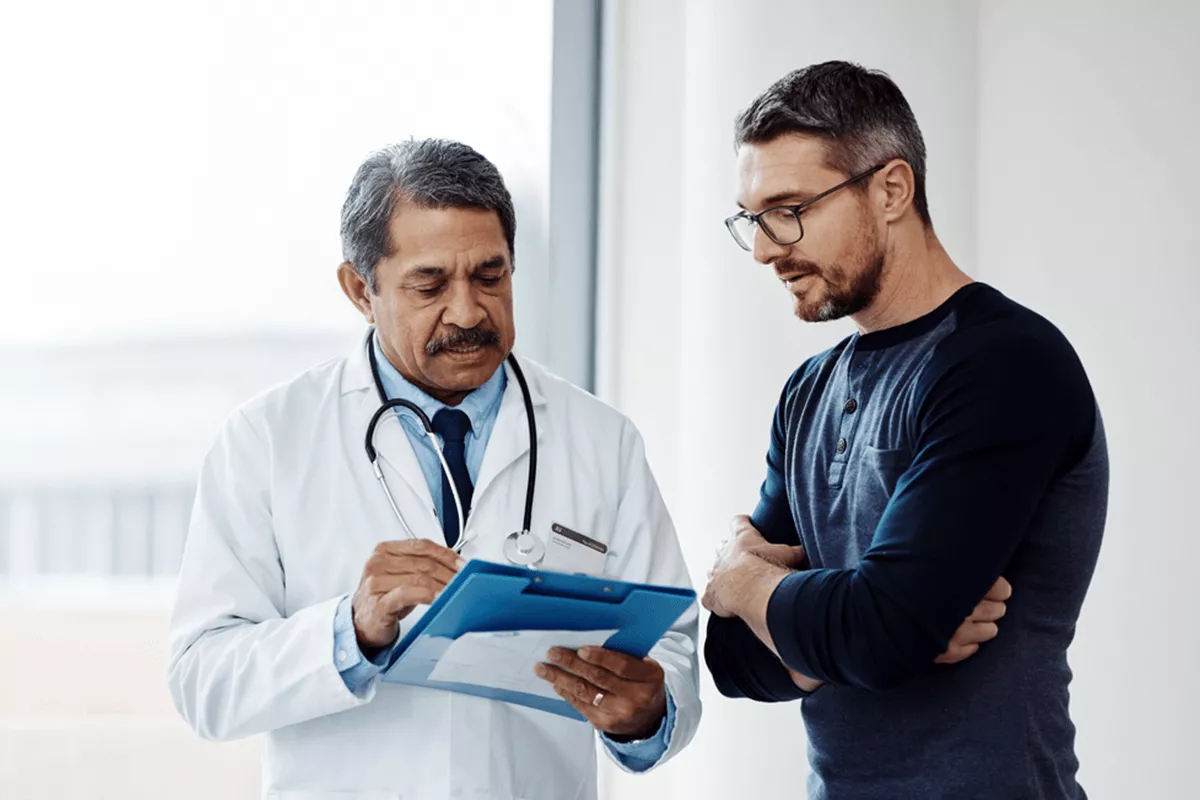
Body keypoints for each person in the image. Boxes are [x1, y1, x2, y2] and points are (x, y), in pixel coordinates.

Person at [167, 139, 699, 800]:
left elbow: (672, 653)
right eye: (429, 284)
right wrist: (351, 631)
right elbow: (203, 683)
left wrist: (645, 716)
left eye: (490, 275)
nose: (469, 312)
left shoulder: (600, 439)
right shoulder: (267, 440)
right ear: (360, 289)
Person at [702, 61, 1108, 799]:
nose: (764, 248)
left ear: (891, 189)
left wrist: (744, 581)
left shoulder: (1004, 364)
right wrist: (863, 627)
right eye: (753, 218)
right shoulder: (807, 394)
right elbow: (733, 659)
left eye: (789, 209)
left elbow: (881, 631)